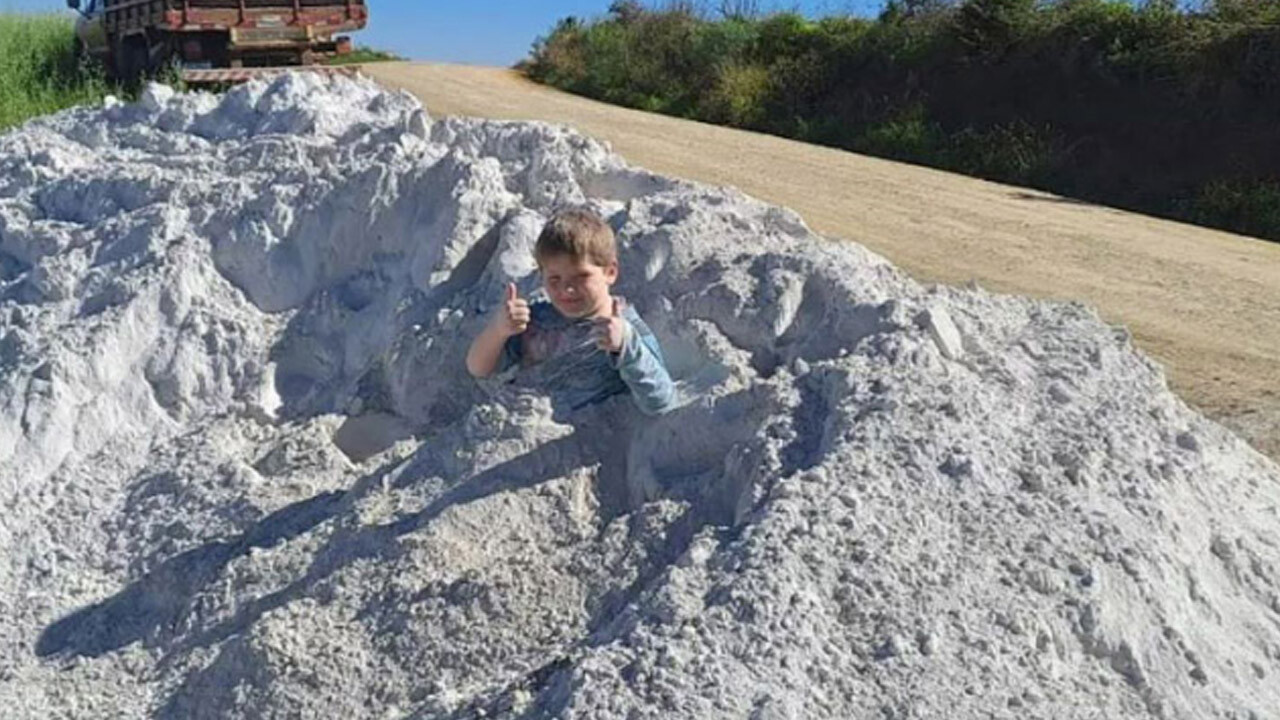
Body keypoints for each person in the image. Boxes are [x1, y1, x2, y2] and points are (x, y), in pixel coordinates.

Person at [465, 208, 675, 416]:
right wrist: (499, 330)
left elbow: (662, 402)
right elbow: (479, 368)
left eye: (581, 277)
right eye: (554, 279)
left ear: (610, 272)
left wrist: (626, 346)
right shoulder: (538, 320)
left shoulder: (625, 329)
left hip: (574, 440)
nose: (567, 289)